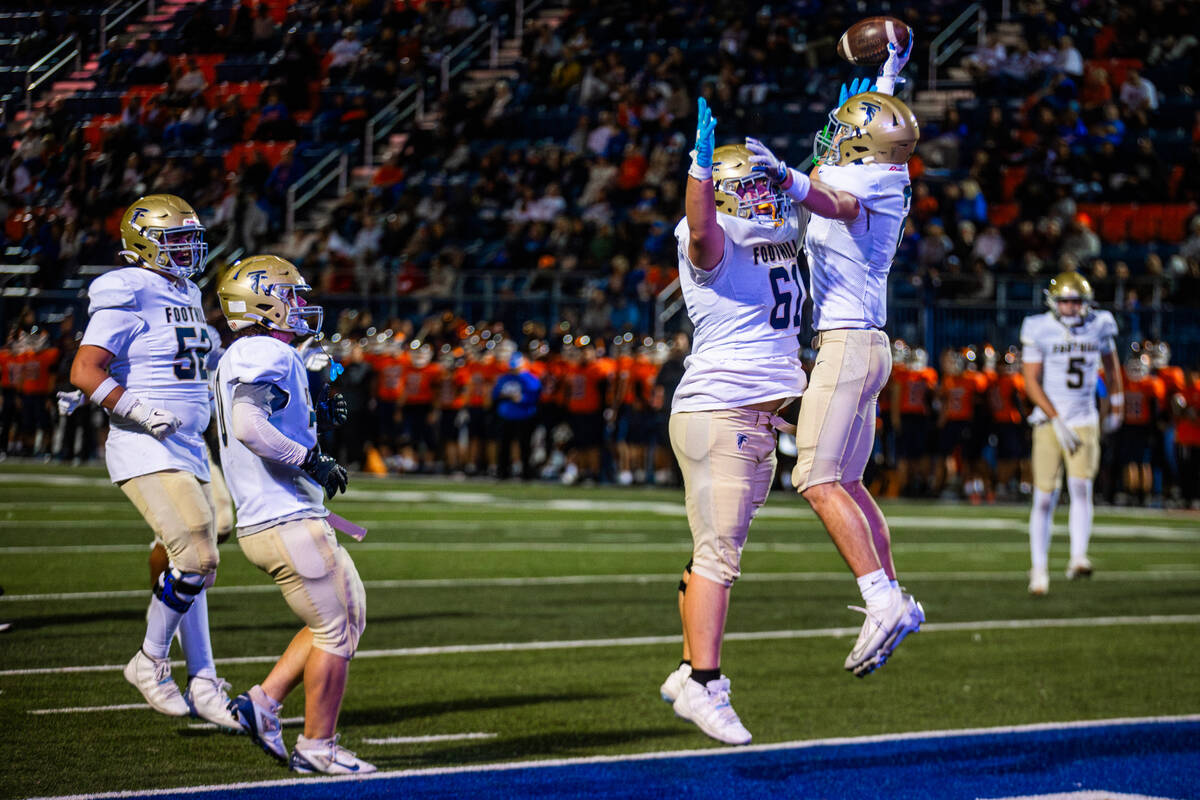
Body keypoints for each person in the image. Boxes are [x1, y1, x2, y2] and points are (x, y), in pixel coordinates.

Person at [745, 40, 924, 678]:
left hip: (848, 344)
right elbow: (845, 164)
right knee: (846, 482)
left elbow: (830, 200)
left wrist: (785, 177)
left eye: (845, 128)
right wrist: (887, 77)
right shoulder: (889, 168)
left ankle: (882, 600)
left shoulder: (865, 182)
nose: (832, 132)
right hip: (868, 343)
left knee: (815, 479)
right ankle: (895, 595)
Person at [660, 96, 807, 746]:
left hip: (751, 417)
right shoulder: (711, 235)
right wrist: (698, 169)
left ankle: (689, 670)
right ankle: (705, 681)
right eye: (746, 188)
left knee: (716, 553)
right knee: (719, 557)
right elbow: (700, 232)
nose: (761, 197)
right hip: (721, 410)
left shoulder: (776, 233)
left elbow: (828, 205)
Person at [68, 194, 236, 725]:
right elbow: (86, 368)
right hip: (146, 442)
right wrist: (135, 406)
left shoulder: (184, 288)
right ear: (143, 241)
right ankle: (150, 661)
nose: (188, 250)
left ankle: (205, 678)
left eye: (192, 239)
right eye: (176, 240)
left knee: (196, 564)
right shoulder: (127, 285)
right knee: (198, 559)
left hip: (186, 443)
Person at [213, 254, 371, 774]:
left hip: (278, 516)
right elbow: (250, 426)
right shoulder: (260, 349)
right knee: (338, 628)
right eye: (291, 296)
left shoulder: (259, 351)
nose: (300, 306)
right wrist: (312, 458)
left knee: (342, 618)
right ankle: (316, 747)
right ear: (260, 301)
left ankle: (262, 703)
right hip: (285, 517)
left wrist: (314, 416)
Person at [1020, 271, 1123, 595]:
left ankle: (1078, 556)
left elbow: (1112, 363)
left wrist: (1117, 402)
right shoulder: (1039, 327)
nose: (1070, 307)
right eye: (1064, 300)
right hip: (1050, 422)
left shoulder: (1100, 323)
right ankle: (1039, 568)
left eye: (1076, 301)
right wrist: (1055, 418)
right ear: (1053, 302)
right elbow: (1031, 382)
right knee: (1044, 497)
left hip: (1083, 419)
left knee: (1081, 488)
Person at [492, 351, 542, 479]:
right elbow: (495, 394)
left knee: (524, 445)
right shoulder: (504, 378)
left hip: (524, 416)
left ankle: (526, 472)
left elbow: (534, 397)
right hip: (506, 415)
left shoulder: (530, 378)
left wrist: (521, 399)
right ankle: (503, 472)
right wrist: (506, 397)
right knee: (504, 445)